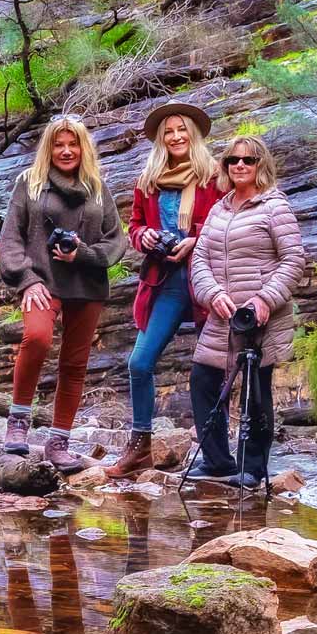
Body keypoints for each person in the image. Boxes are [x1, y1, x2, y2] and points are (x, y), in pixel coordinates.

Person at [0, 114, 126, 469]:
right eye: (59, 144)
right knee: (36, 338)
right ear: (48, 148)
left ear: (83, 148)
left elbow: (117, 241)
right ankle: (18, 424)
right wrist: (26, 279)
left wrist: (82, 252)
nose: (66, 150)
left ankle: (59, 443)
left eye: (73, 144)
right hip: (40, 281)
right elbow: (11, 238)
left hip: (87, 285)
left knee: (74, 364)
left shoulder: (97, 187)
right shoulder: (30, 183)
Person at [109, 102, 221, 478]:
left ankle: (217, 454)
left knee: (210, 369)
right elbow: (135, 227)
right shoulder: (149, 180)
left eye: (181, 129)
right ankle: (140, 446)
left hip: (208, 279)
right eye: (168, 131)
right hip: (166, 281)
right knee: (139, 362)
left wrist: (195, 239)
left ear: (194, 134)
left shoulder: (214, 177)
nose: (175, 136)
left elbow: (226, 222)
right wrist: (147, 237)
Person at [186, 136, 304, 488]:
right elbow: (200, 259)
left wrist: (265, 299)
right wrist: (212, 294)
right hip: (222, 316)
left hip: (258, 318)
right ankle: (218, 461)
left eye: (248, 160)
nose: (239, 165)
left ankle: (253, 468)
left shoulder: (274, 206)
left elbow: (294, 259)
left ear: (260, 165)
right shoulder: (219, 208)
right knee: (203, 381)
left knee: (255, 389)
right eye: (232, 160)